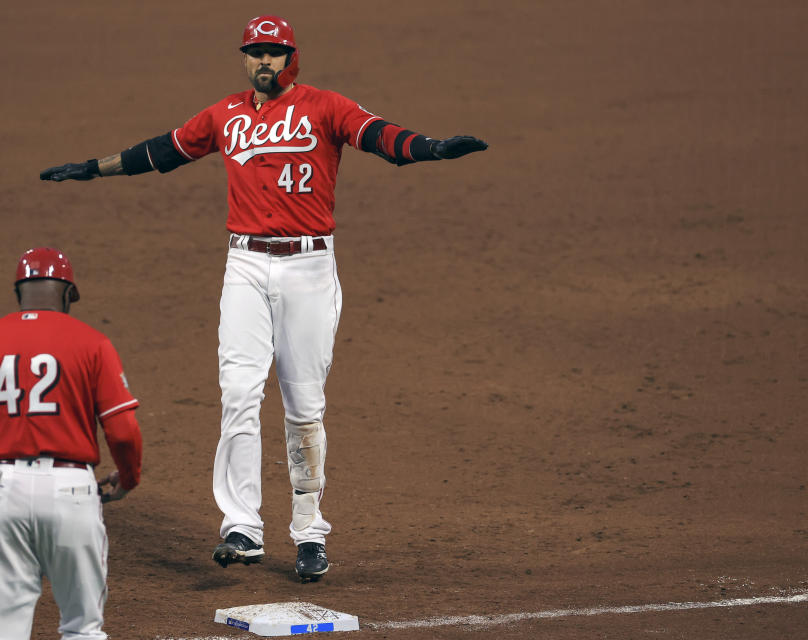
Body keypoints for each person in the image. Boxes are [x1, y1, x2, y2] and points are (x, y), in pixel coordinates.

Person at [39, 15, 487, 582]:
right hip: (245, 265)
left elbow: (381, 137)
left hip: (308, 267)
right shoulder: (224, 115)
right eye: (256, 52)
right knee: (238, 393)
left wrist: (433, 149)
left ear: (291, 58)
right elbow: (164, 151)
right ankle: (242, 526)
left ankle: (309, 530)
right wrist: (91, 170)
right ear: (245, 57)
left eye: (275, 52)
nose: (265, 62)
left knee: (304, 406)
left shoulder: (326, 107)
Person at [0, 247, 143, 640]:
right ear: (68, 294)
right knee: (83, 627)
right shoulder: (92, 342)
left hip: (1, 491)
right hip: (70, 491)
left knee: (6, 630)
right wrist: (128, 479)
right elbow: (123, 432)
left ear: (19, 293)